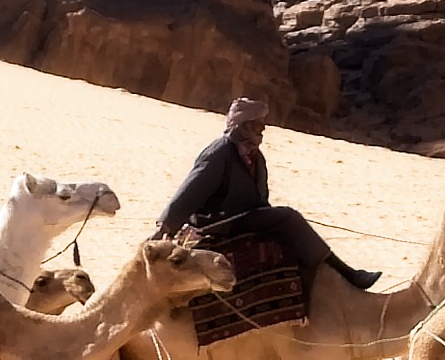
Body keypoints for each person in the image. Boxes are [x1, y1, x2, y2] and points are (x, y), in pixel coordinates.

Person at [154, 97, 377, 293]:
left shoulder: (255, 158)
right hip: (218, 223)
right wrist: (165, 227)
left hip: (246, 217)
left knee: (283, 228)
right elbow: (190, 192)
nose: (262, 129)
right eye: (257, 125)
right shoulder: (218, 154)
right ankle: (348, 274)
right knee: (289, 217)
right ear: (243, 126)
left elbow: (260, 197)